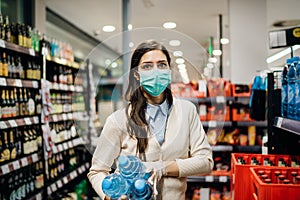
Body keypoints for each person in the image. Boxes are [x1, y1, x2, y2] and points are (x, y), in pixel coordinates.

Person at [87, 40, 213, 200]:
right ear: (136, 75)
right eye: (147, 66)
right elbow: (97, 171)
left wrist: (162, 167)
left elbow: (205, 161)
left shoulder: (187, 111)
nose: (156, 72)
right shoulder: (118, 120)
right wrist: (111, 197)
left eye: (162, 65)